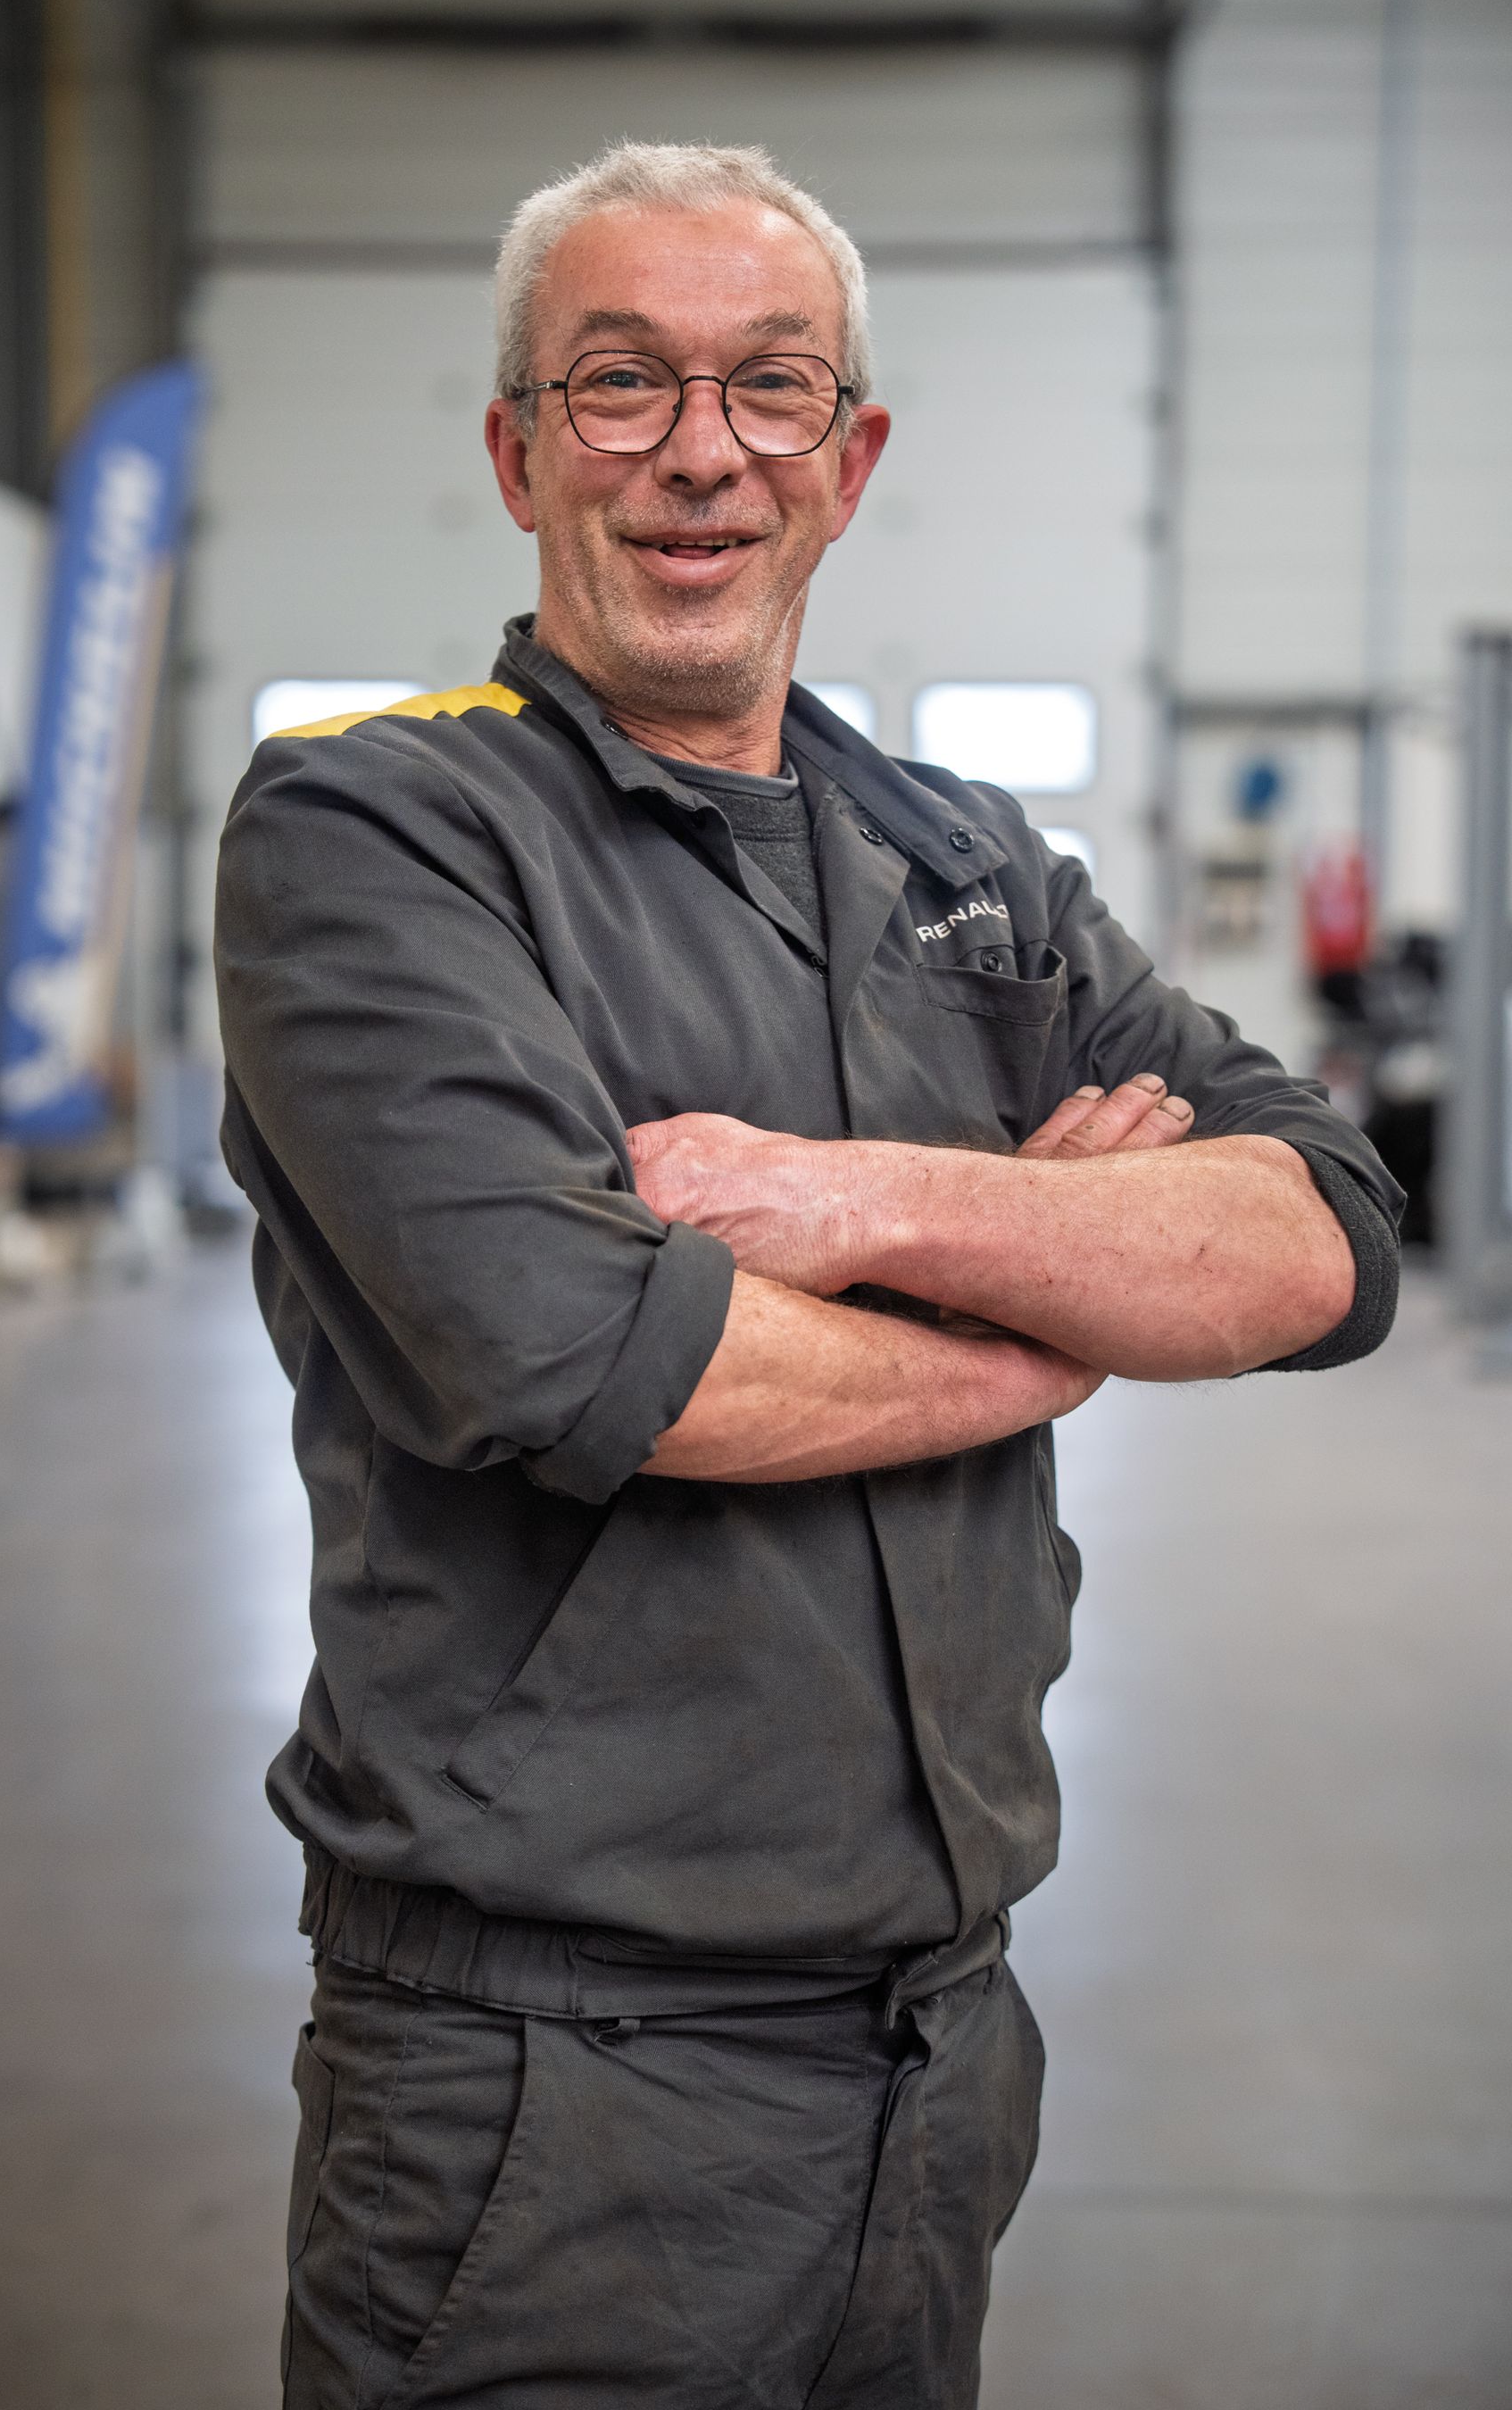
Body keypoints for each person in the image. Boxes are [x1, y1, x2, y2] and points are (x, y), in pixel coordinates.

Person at [214, 141, 1401, 2410]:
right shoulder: (380, 831)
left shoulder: (967, 865)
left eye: (773, 389)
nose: (699, 453)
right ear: (516, 449)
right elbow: (598, 1363)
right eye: (620, 383)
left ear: (850, 462)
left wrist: (865, 1210)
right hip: (549, 2077)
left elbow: (1321, 1231)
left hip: (943, 2041)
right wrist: (1069, 1319)